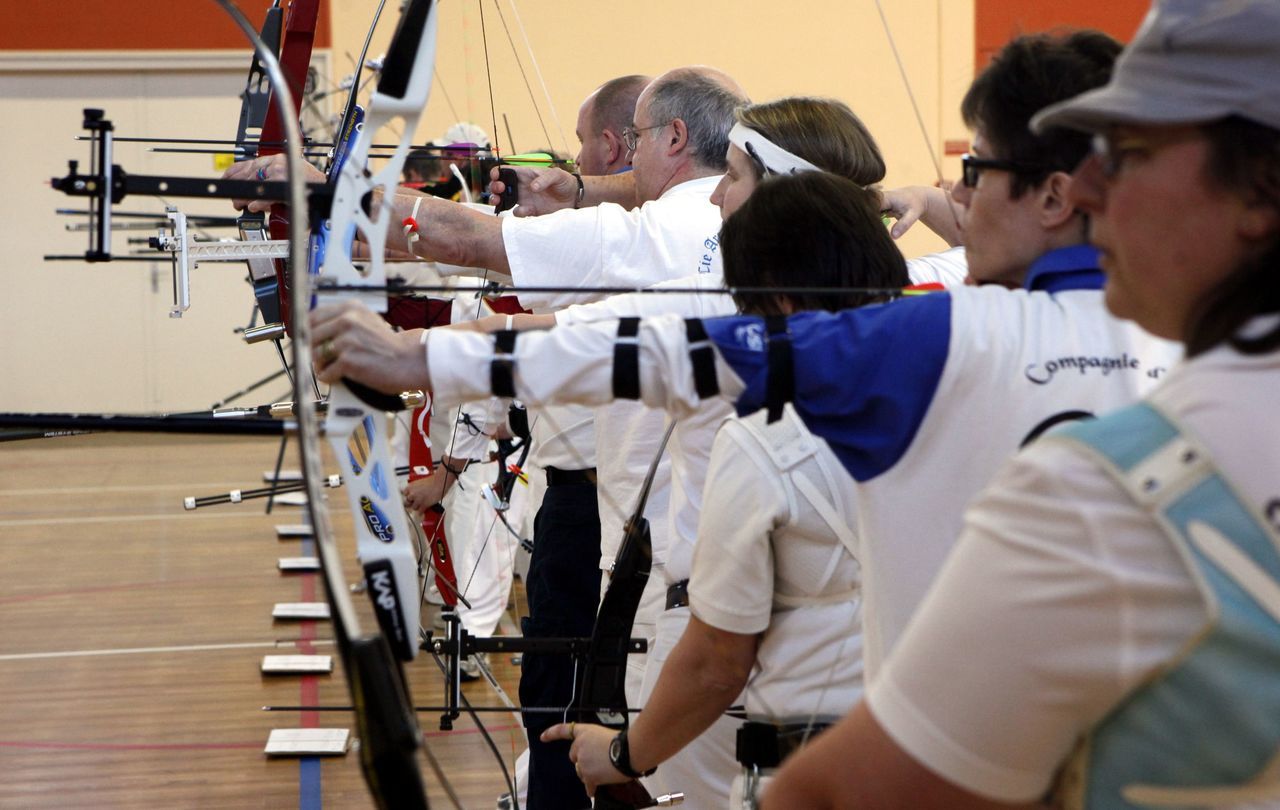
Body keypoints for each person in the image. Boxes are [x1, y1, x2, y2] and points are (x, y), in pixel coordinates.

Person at [761, 1, 1280, 807]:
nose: (1093, 189)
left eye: (1134, 151)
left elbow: (831, 797)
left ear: (1262, 188)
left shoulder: (1106, 494)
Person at [543, 170, 908, 808]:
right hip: (927, 738)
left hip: (796, 729)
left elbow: (716, 661)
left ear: (778, 299)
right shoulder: (965, 379)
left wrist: (623, 754)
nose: (718, 192)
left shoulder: (764, 436)